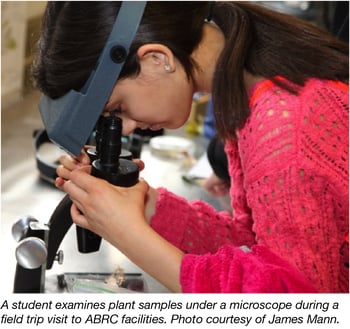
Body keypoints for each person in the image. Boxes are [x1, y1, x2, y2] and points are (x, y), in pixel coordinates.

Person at [32, 1, 348, 293]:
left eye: (118, 108)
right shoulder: (248, 90)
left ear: (157, 59)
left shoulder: (283, 123)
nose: (126, 127)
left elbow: (296, 305)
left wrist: (130, 235)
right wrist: (145, 204)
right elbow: (256, 248)